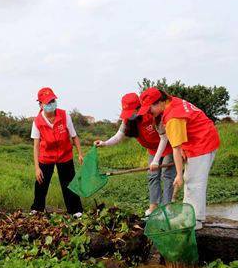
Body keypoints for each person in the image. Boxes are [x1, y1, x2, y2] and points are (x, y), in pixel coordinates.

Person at [138, 87, 220, 229]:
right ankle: (189, 215)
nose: (149, 113)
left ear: (159, 102)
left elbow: (176, 149)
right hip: (200, 140)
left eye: (150, 109)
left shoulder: (173, 117)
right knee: (191, 179)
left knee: (194, 182)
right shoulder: (172, 101)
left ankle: (196, 220)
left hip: (202, 143)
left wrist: (178, 175)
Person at [95, 92, 175, 216]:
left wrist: (156, 161)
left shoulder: (152, 114)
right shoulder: (128, 120)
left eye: (133, 111)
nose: (130, 115)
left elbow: (164, 138)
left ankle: (167, 207)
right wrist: (105, 143)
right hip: (153, 150)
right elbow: (118, 136)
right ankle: (153, 207)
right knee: (152, 175)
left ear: (139, 108)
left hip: (168, 146)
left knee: (167, 175)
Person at [30, 87, 83, 216]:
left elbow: (74, 136)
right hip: (46, 156)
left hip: (65, 155)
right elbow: (36, 146)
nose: (51, 104)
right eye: (48, 102)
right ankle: (37, 208)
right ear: (41, 104)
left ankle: (76, 211)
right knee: (41, 182)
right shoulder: (37, 122)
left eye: (53, 101)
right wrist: (37, 168)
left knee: (69, 182)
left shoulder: (64, 116)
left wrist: (80, 154)